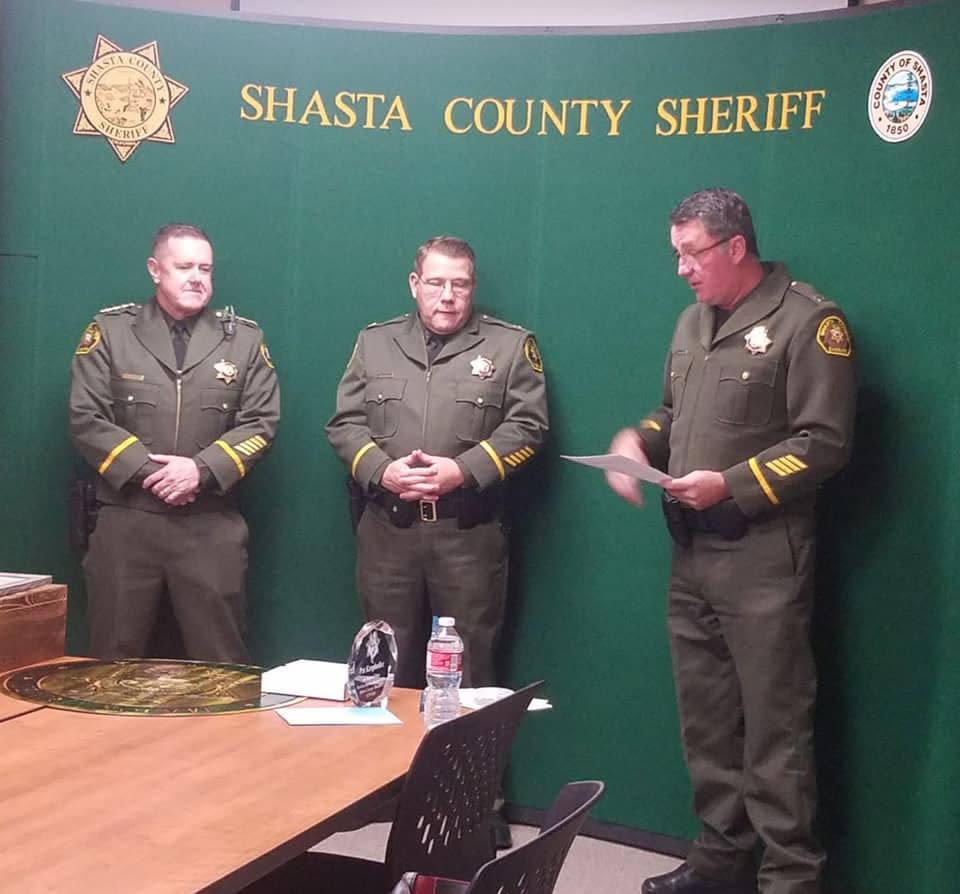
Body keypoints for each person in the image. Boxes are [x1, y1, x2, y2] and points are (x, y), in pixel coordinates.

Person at [606, 189, 856, 894]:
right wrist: (638, 441)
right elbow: (670, 412)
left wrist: (733, 484)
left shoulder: (810, 320)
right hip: (691, 555)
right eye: (677, 253)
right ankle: (720, 865)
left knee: (776, 733)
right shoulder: (692, 324)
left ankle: (788, 880)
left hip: (762, 556)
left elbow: (826, 441)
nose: (682, 268)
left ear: (736, 247)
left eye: (693, 253)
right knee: (708, 725)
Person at [69, 223, 280, 664]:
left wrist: (198, 472)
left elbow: (260, 423)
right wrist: (160, 475)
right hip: (128, 521)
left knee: (222, 666)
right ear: (155, 270)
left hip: (209, 524)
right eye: (184, 266)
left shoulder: (243, 340)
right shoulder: (110, 332)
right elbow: (87, 419)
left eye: (205, 268)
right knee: (111, 662)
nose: (196, 277)